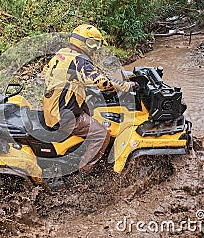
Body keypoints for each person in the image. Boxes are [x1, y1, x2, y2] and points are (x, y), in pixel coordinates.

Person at [43, 24, 137, 174]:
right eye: (93, 44)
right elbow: (102, 82)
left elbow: (51, 76)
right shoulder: (79, 60)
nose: (94, 48)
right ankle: (84, 171)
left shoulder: (62, 54)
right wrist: (125, 86)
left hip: (51, 108)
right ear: (84, 43)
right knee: (102, 134)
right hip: (64, 116)